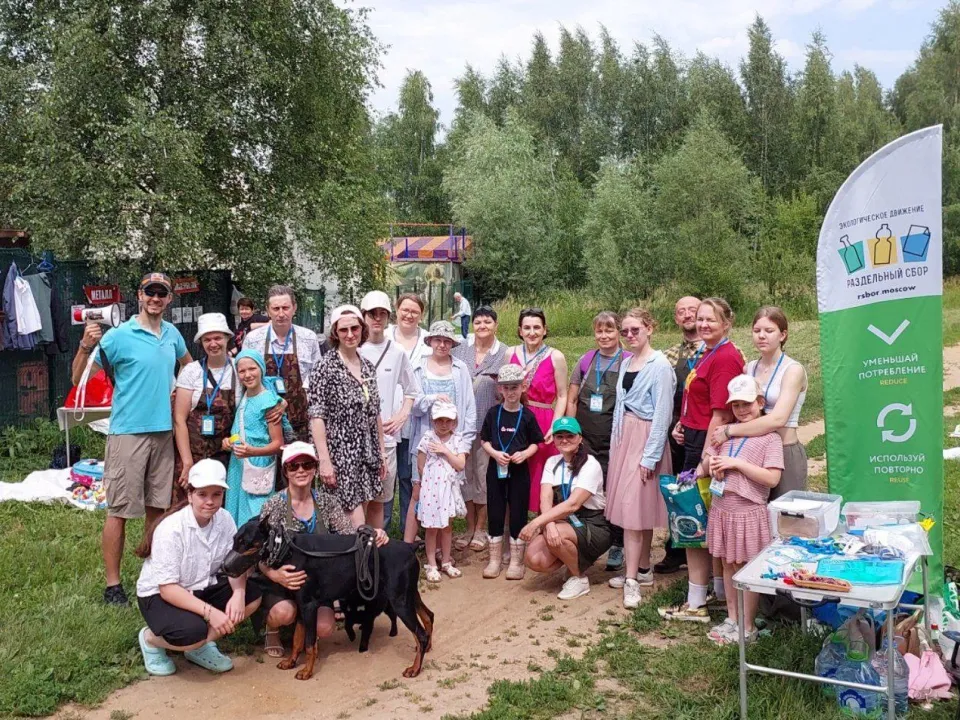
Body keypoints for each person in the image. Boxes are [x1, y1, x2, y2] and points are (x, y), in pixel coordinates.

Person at [71, 271, 191, 606]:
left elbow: (190, 369)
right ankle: (113, 586)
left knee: (157, 509)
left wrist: (183, 394)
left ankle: (151, 577)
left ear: (169, 299)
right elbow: (78, 377)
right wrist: (85, 345)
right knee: (120, 510)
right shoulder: (119, 337)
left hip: (164, 433)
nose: (155, 298)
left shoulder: (173, 335)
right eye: (150, 292)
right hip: (127, 434)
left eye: (162, 293)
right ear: (139, 295)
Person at [255, 442, 389, 658]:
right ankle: (273, 629)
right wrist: (275, 575)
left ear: (315, 469)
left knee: (325, 628)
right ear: (285, 471)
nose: (301, 470)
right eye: (293, 466)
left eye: (307, 465)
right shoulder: (274, 506)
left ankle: (304, 627)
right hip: (283, 581)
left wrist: (372, 533)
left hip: (317, 583)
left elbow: (348, 536)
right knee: (284, 613)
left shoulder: (327, 502)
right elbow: (258, 553)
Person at [134, 459, 262, 676]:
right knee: (193, 632)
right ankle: (152, 640)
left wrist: (239, 593)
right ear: (190, 495)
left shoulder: (225, 519)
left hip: (201, 586)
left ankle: (198, 646)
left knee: (253, 595)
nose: (210, 502)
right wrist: (211, 613)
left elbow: (234, 565)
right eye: (202, 494)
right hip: (161, 595)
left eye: (216, 494)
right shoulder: (171, 529)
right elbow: (167, 588)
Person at [659, 297, 744, 623]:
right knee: (708, 518)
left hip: (707, 446)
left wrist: (706, 457)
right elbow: (703, 401)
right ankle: (719, 593)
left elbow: (721, 413)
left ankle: (696, 603)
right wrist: (684, 421)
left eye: (712, 320)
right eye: (702, 319)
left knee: (692, 520)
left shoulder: (723, 357)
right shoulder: (710, 351)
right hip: (695, 436)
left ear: (726, 322)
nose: (705, 324)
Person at [698, 376, 783, 644]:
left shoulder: (770, 439)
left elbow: (772, 479)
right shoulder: (724, 433)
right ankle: (732, 619)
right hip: (723, 509)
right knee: (727, 563)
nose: (741, 410)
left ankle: (747, 627)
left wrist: (736, 464)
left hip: (748, 512)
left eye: (746, 403)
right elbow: (706, 461)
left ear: (760, 402)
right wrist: (708, 465)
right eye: (735, 405)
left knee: (746, 567)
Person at [604, 309, 675, 608]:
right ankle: (643, 568)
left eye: (636, 330)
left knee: (634, 511)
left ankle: (631, 579)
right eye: (626, 331)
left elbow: (662, 414)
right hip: (625, 439)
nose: (630, 335)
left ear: (650, 328)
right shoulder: (626, 362)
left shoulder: (659, 366)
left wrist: (650, 456)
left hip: (646, 440)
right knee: (638, 509)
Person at [712, 306, 807, 501]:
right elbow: (739, 406)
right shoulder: (750, 368)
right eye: (757, 331)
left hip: (784, 448)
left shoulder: (793, 370)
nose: (762, 336)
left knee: (787, 520)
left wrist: (729, 431)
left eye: (769, 331)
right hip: (753, 450)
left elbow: (778, 418)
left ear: (783, 335)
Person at [308, 305, 386, 526]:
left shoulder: (368, 368)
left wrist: (381, 452)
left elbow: (375, 413)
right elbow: (317, 416)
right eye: (344, 330)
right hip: (339, 455)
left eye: (354, 328)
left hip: (366, 453)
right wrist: (324, 461)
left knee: (364, 511)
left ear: (362, 329)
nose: (350, 334)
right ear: (335, 333)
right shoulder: (324, 367)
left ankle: (363, 559)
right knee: (351, 521)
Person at [520, 417, 612, 600]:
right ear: (553, 439)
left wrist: (537, 523)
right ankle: (573, 564)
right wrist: (549, 525)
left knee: (557, 536)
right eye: (559, 436)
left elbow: (574, 504)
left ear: (580, 438)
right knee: (534, 558)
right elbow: (545, 499)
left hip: (593, 523)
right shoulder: (552, 462)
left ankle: (579, 578)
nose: (564, 440)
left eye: (570, 436)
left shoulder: (590, 464)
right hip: (563, 520)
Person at [566, 311, 630, 571]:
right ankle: (586, 541)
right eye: (599, 331)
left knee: (615, 493)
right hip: (587, 440)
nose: (604, 336)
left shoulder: (628, 361)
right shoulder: (585, 361)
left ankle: (618, 544)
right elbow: (571, 399)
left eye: (609, 330)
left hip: (615, 441)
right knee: (587, 492)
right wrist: (573, 434)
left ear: (619, 332)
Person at [404, 320, 476, 543]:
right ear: (430, 341)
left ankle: (441, 550)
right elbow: (413, 405)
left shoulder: (460, 368)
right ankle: (407, 546)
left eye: (447, 341)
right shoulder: (418, 368)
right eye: (438, 340)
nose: (442, 345)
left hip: (452, 444)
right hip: (425, 442)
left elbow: (469, 407)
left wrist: (464, 445)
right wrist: (432, 398)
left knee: (447, 493)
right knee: (419, 492)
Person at [359, 291, 419, 530]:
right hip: (357, 436)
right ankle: (356, 546)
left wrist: (401, 415)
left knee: (382, 496)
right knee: (359, 496)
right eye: (371, 314)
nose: (376, 319)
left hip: (387, 438)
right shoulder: (355, 348)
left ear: (387, 317)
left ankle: (377, 547)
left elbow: (411, 389)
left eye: (381, 314)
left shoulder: (396, 352)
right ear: (363, 315)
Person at [479, 365, 544, 580]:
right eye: (506, 388)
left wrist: (525, 454)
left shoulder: (527, 415)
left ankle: (516, 561)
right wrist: (494, 453)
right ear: (500, 390)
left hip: (518, 471)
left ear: (523, 387)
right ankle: (494, 559)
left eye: (515, 387)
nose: (511, 392)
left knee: (518, 512)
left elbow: (537, 442)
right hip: (495, 468)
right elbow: (484, 440)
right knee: (496, 511)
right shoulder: (493, 413)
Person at [452, 305, 507, 552]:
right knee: (465, 476)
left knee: (484, 476)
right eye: (478, 322)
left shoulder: (504, 352)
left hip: (488, 426)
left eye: (487, 322)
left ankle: (481, 529)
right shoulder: (461, 349)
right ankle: (468, 527)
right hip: (461, 425)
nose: (482, 326)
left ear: (495, 325)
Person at [507, 308, 568, 514]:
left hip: (542, 419)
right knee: (514, 469)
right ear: (520, 331)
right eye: (527, 328)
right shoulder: (511, 353)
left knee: (542, 473)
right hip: (515, 416)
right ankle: (512, 528)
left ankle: (544, 526)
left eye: (536, 327)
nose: (532, 332)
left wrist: (555, 425)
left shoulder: (555, 356)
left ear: (544, 330)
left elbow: (562, 395)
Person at [657, 295, 701, 575]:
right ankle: (675, 549)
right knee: (675, 489)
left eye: (693, 310)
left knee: (702, 489)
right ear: (676, 318)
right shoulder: (669, 355)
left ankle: (707, 552)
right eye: (681, 311)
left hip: (705, 430)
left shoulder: (717, 350)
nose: (687, 315)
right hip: (676, 431)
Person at [173, 313, 238, 504]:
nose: (213, 344)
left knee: (219, 507)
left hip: (225, 457)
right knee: (185, 506)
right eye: (207, 339)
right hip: (191, 454)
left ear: (227, 339)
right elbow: (179, 419)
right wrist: (187, 462)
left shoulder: (238, 370)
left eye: (218, 338)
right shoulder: (191, 371)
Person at [244, 286, 322, 441]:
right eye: (276, 308)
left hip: (300, 423)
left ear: (294, 308)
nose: (281, 314)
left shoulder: (309, 338)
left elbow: (317, 382)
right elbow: (246, 381)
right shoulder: (253, 340)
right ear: (268, 310)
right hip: (264, 422)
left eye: (285, 308)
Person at [384, 293, 431, 531]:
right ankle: (380, 529)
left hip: (415, 418)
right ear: (397, 309)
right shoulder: (384, 336)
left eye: (414, 311)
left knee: (408, 475)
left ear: (421, 315)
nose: (409, 315)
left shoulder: (427, 342)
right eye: (405, 309)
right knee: (384, 475)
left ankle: (407, 529)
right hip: (387, 416)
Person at [223, 349, 285, 525]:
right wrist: (228, 442)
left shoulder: (268, 402)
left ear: (261, 369)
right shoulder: (244, 396)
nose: (247, 375)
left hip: (258, 466)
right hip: (238, 464)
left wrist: (252, 451)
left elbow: (278, 444)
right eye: (242, 371)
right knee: (235, 510)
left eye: (252, 369)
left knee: (256, 515)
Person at [415, 402, 469, 582]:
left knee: (447, 526)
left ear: (454, 422)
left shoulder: (457, 439)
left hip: (449, 489)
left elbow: (460, 464)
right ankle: (431, 564)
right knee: (432, 528)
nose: (444, 424)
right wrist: (430, 482)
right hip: (432, 489)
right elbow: (420, 465)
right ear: (433, 421)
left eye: (448, 421)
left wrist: (445, 451)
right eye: (440, 420)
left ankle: (446, 561)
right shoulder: (427, 438)